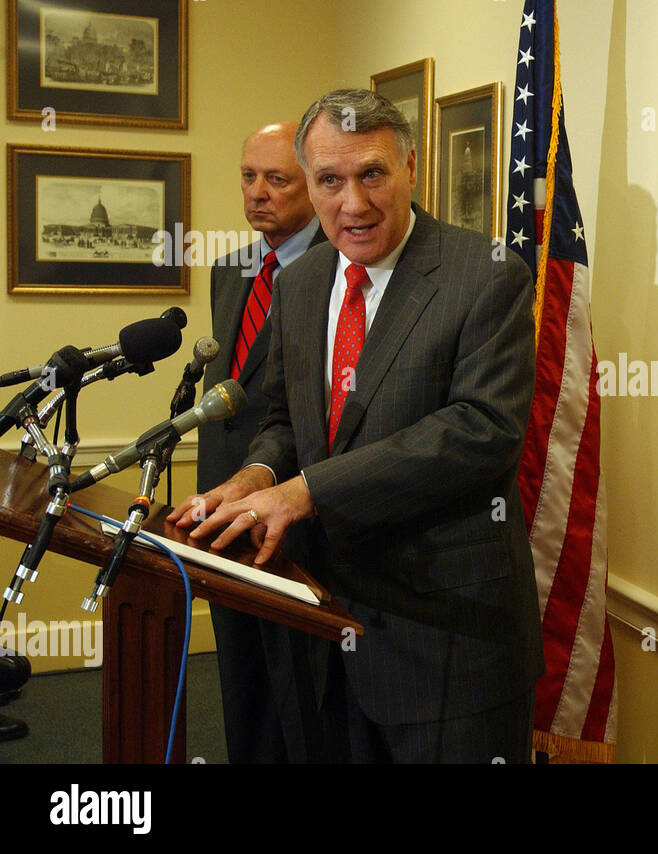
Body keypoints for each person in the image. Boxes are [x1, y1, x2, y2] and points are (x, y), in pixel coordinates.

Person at [170, 89, 543, 763]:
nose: (354, 203)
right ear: (309, 184)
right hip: (321, 628)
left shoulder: (486, 275)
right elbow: (285, 417)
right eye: (330, 181)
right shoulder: (302, 281)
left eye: (373, 174)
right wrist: (256, 475)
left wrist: (304, 490)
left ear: (410, 167)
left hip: (445, 643)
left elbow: (480, 431)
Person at [198, 122, 326, 763]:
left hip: (293, 507)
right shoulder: (231, 269)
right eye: (249, 177)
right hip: (224, 498)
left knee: (295, 692)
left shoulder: (339, 267)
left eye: (277, 179)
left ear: (313, 183)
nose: (258, 193)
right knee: (239, 680)